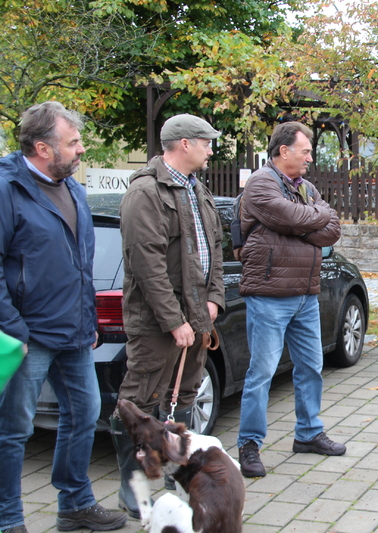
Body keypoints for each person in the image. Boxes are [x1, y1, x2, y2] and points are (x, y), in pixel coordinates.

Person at [0, 102, 127, 532]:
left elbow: (81, 261)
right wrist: (12, 327)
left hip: (74, 332)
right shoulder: (6, 189)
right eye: (72, 143)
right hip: (27, 335)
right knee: (14, 428)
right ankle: (8, 520)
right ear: (42, 147)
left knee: (85, 414)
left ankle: (74, 505)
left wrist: (88, 318)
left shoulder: (72, 187)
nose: (81, 149)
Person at [110, 114, 226, 518]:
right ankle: (133, 487)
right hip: (158, 324)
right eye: (206, 142)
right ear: (183, 144)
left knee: (186, 398)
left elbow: (215, 252)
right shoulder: (145, 192)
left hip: (197, 318)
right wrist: (174, 321)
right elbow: (148, 265)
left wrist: (214, 301)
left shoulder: (197, 190)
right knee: (138, 404)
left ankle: (178, 475)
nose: (212, 149)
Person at [236, 121, 343, 478]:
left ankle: (309, 434)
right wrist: (311, 221)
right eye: (305, 151)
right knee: (262, 372)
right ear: (284, 151)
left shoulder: (306, 187)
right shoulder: (261, 182)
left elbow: (333, 228)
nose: (311, 157)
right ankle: (249, 444)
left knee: (311, 366)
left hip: (305, 295)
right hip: (269, 295)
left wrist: (305, 223)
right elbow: (290, 216)